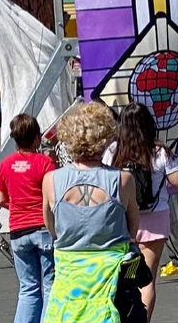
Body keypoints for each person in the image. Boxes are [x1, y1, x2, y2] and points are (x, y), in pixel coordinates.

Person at [40, 102, 140, 323]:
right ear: (105, 137)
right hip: (111, 276)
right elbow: (133, 226)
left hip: (68, 276)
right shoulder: (122, 180)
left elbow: (51, 226)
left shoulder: (51, 180)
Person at [103, 104, 178, 321]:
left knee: (122, 275)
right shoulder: (158, 151)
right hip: (154, 220)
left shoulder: (113, 152)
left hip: (122, 220)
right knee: (147, 278)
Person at [0, 114, 56, 323]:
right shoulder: (45, 163)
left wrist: (18, 207)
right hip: (44, 228)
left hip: (18, 230)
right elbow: (55, 197)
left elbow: (0, 199)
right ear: (37, 138)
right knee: (50, 285)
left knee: (28, 288)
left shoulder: (5, 165)